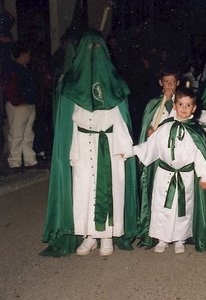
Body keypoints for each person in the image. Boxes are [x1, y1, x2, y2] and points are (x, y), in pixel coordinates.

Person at [41, 29, 138, 257]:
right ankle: (89, 236)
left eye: (97, 48)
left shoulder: (115, 83)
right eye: (88, 48)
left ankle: (107, 237)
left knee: (110, 191)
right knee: (84, 191)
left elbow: (121, 120)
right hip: (83, 147)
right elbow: (69, 125)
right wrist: (71, 151)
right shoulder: (71, 84)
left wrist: (124, 148)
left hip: (110, 147)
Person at [134, 87, 206, 254]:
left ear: (194, 108)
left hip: (185, 175)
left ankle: (180, 239)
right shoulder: (165, 127)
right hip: (164, 174)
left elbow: (199, 155)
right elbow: (151, 146)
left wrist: (204, 175)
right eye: (180, 104)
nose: (184, 108)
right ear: (174, 105)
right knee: (162, 206)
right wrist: (132, 151)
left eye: (188, 105)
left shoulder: (196, 131)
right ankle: (162, 238)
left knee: (183, 207)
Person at [136, 68, 179, 246]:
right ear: (160, 83)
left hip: (172, 155)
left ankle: (175, 232)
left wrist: (170, 103)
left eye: (173, 81)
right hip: (156, 155)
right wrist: (148, 130)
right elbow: (148, 123)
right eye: (166, 81)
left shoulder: (181, 103)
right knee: (155, 192)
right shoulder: (153, 103)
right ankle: (153, 229)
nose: (169, 85)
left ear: (178, 83)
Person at [2, 43, 38, 172]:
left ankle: (29, 160)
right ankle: (15, 162)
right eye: (27, 54)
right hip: (19, 106)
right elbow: (10, 89)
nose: (29, 57)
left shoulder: (24, 68)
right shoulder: (14, 69)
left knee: (28, 134)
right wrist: (17, 101)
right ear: (22, 55)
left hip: (28, 104)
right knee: (17, 134)